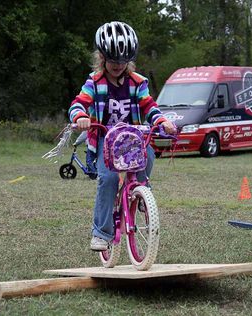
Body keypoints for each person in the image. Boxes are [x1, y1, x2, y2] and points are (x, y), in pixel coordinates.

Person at [68, 21, 176, 251]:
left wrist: (162, 121)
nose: (117, 65)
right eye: (112, 60)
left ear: (129, 60)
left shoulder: (138, 83)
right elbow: (79, 103)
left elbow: (149, 106)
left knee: (148, 154)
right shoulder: (94, 83)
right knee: (107, 181)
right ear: (101, 57)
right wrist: (80, 117)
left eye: (122, 61)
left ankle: (142, 189)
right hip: (106, 143)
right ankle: (101, 233)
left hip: (132, 141)